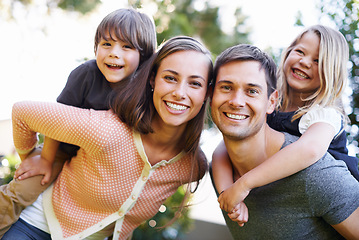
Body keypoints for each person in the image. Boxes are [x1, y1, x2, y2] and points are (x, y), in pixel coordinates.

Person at [5, 36, 212, 240]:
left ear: (206, 93)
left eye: (195, 83)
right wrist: (34, 158)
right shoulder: (107, 130)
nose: (179, 92)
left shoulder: (191, 166)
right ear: (152, 79)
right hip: (35, 228)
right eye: (170, 78)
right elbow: (22, 113)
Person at [0, 8, 157, 237]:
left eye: (127, 47)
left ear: (145, 57)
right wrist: (45, 159)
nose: (114, 53)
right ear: (95, 47)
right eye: (106, 44)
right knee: (19, 192)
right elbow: (55, 120)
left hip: (101, 168)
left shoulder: (144, 90)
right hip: (62, 152)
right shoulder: (85, 74)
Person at [210, 43, 359, 239]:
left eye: (252, 91)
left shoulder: (317, 175)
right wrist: (228, 191)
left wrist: (244, 184)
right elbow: (220, 152)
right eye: (226, 87)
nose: (236, 101)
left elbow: (311, 150)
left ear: (271, 102)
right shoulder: (223, 170)